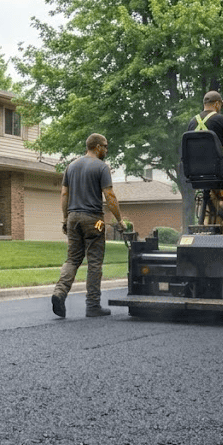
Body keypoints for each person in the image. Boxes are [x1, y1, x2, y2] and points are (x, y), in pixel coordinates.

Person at [51, 133, 125, 318]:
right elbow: (110, 196)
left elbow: (64, 195)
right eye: (105, 146)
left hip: (73, 217)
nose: (107, 150)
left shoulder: (71, 166)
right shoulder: (101, 167)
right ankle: (93, 305)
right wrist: (119, 220)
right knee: (94, 262)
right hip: (94, 220)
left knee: (72, 259)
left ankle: (59, 293)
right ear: (97, 147)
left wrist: (65, 219)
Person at [187, 90, 223, 167]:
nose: (220, 108)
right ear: (217, 104)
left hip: (196, 167)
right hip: (218, 165)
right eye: (221, 105)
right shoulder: (222, 119)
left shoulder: (192, 122)